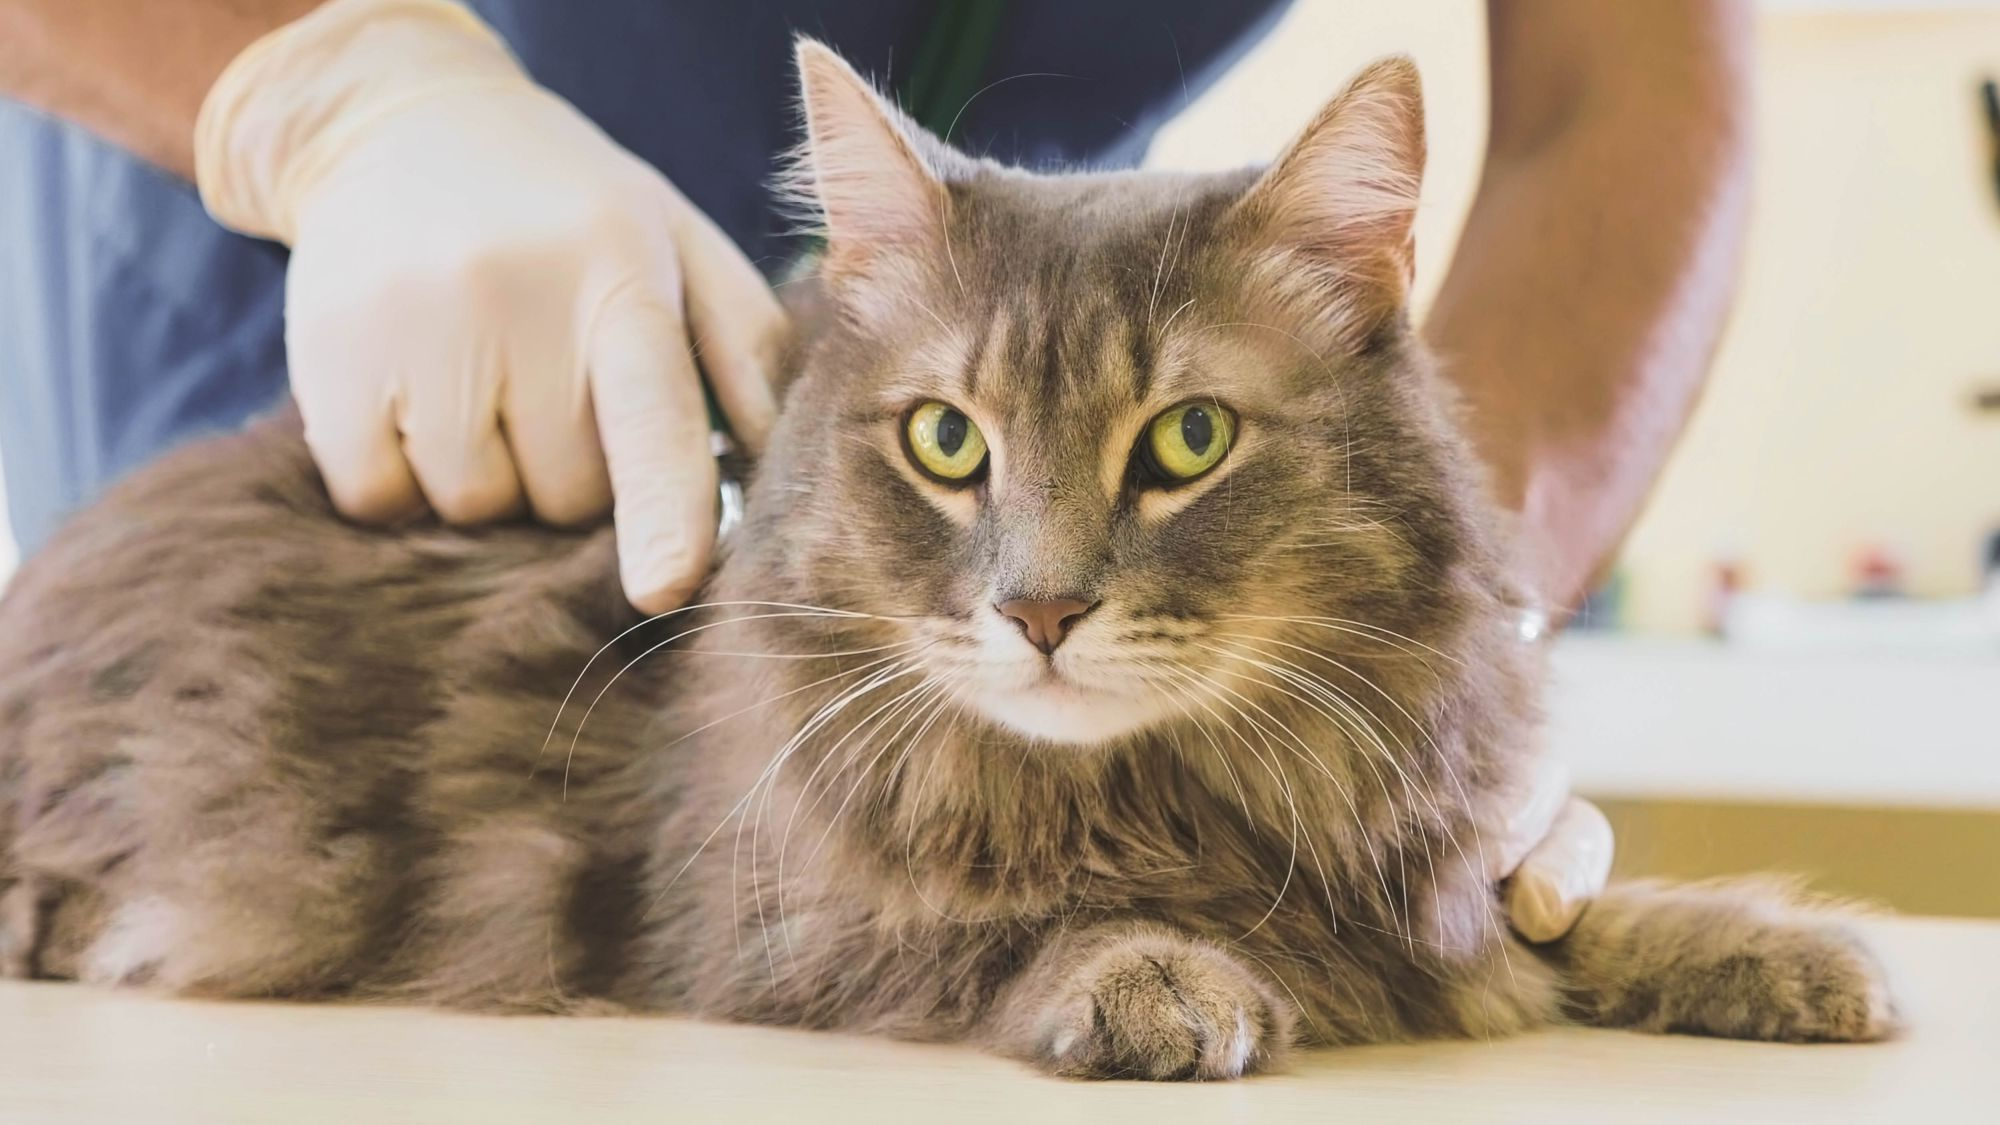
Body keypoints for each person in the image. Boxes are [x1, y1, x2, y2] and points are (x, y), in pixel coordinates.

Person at [0, 0, 1753, 941]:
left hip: (1008, 367)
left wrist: (1452, 654)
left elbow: (1623, 89)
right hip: (321, 293)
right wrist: (319, 92)